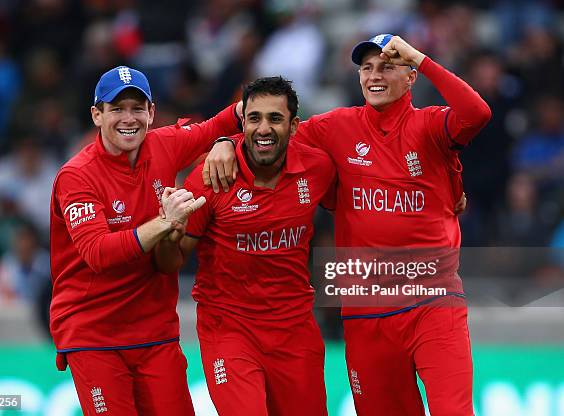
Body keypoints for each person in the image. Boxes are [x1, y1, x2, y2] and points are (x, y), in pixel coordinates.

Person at [204, 35, 491, 415]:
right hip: (366, 312)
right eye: (367, 68)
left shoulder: (430, 125)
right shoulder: (337, 126)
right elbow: (268, 135)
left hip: (431, 301)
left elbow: (477, 113)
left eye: (388, 66)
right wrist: (225, 138)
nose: (375, 75)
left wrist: (420, 57)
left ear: (410, 77)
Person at [49, 65, 241, 415]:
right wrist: (165, 222)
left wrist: (228, 138)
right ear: (96, 115)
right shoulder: (77, 176)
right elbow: (98, 253)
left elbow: (221, 122)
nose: (129, 118)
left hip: (155, 331)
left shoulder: (163, 144)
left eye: (137, 108)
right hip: (94, 333)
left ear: (151, 112)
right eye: (116, 108)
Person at [156, 76, 336, 415]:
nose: (263, 128)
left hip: (295, 332)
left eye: (275, 118)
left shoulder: (318, 168)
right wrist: (168, 230)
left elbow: (365, 198)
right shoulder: (211, 177)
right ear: (243, 122)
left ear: (294, 125)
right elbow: (171, 262)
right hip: (229, 331)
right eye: (254, 118)